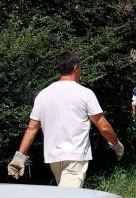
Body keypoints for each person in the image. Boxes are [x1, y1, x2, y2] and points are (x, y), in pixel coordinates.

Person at [7, 51, 124, 187]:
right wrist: (116, 145)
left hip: (54, 157)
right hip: (75, 157)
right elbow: (103, 126)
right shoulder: (85, 94)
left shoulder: (43, 95)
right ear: (75, 67)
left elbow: (32, 128)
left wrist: (19, 157)